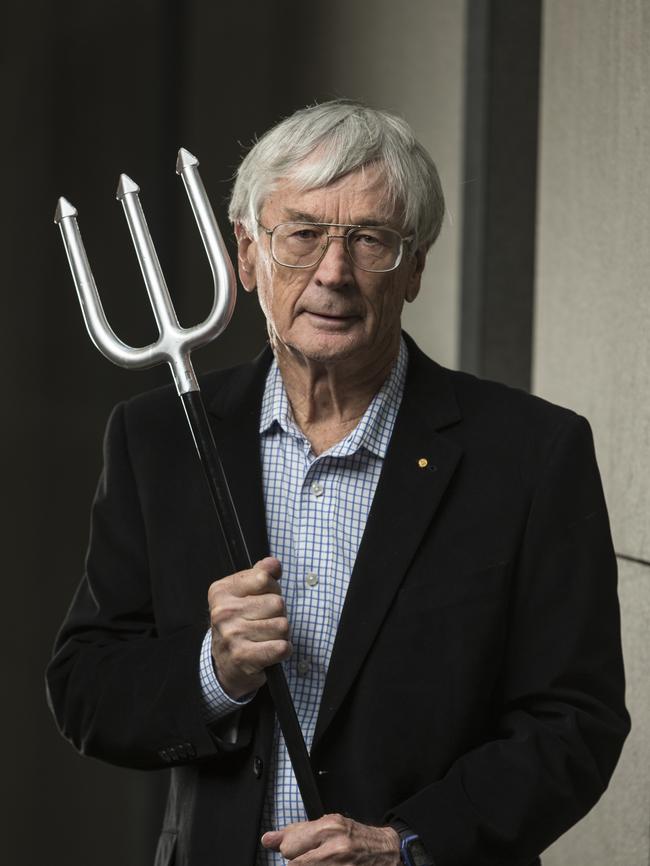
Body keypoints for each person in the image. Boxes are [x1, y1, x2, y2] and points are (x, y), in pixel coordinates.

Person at [47, 100, 629, 866]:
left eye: (371, 240)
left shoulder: (529, 453)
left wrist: (407, 844)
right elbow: (87, 689)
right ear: (248, 254)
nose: (333, 272)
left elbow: (573, 723)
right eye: (303, 233)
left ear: (416, 266)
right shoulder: (158, 440)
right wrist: (212, 669)